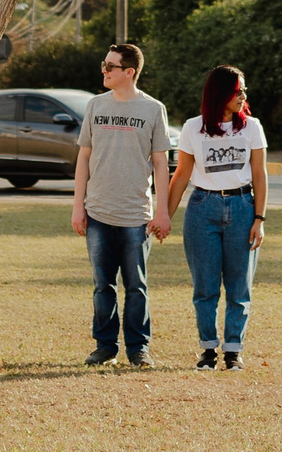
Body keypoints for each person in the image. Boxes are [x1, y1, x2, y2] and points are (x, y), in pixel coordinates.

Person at [71, 40, 172, 367]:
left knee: (136, 286)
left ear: (129, 72)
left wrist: (162, 211)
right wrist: (78, 206)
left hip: (135, 216)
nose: (104, 70)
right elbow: (83, 157)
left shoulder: (153, 109)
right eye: (104, 64)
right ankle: (105, 347)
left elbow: (161, 164)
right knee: (103, 286)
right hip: (98, 213)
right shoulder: (95, 106)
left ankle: (138, 349)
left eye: (110, 66)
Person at [161, 62, 268, 371]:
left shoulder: (252, 127)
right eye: (237, 91)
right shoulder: (193, 128)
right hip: (202, 208)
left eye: (244, 90)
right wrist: (164, 216)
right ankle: (208, 350)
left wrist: (259, 219)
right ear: (220, 93)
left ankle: (233, 351)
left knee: (239, 287)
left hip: (242, 207)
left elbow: (260, 175)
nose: (243, 96)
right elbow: (181, 175)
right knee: (205, 287)